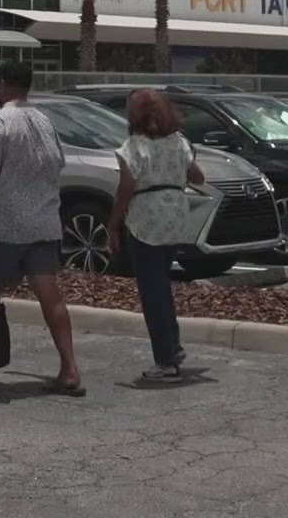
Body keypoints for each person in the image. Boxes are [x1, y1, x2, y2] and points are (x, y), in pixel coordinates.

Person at [0, 59, 83, 396]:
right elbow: (57, 165)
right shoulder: (45, 122)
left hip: (5, 225)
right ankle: (70, 369)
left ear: (1, 84)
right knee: (50, 295)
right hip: (44, 222)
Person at [108, 88, 204, 381]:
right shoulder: (179, 143)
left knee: (153, 291)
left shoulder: (134, 146)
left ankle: (165, 358)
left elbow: (126, 186)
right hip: (175, 217)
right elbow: (197, 176)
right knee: (163, 285)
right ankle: (172, 346)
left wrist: (113, 223)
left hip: (146, 219)